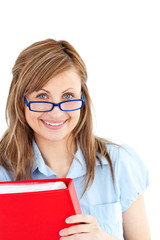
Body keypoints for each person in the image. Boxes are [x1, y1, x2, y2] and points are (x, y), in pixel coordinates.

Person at [0, 39, 151, 240]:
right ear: (22, 102)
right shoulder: (3, 171)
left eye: (68, 96)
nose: (56, 112)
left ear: (82, 100)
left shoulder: (119, 163)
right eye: (42, 97)